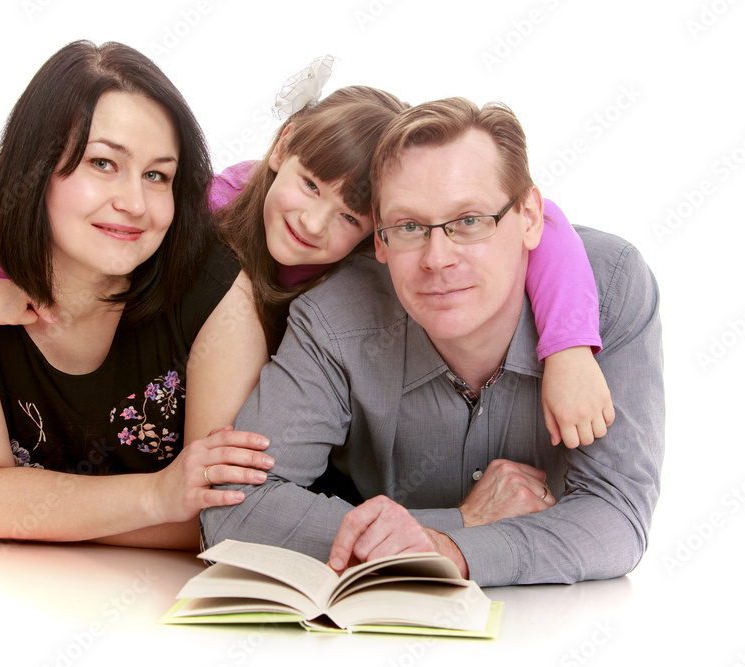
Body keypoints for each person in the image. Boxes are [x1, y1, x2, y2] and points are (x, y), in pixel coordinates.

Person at [0, 62, 615, 451]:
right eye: (309, 184)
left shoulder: (379, 255)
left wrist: (568, 351)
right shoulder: (220, 198)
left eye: (349, 216)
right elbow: (32, 204)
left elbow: (546, 221)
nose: (312, 222)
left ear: (377, 231)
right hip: (171, 413)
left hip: (291, 430)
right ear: (282, 145)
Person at [201, 97, 665, 586]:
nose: (437, 259)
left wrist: (449, 550)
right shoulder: (332, 316)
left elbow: (617, 514)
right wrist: (452, 530)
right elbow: (236, 508)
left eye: (469, 221)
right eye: (409, 227)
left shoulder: (612, 287)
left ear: (530, 217)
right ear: (379, 239)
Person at [0, 40, 274, 549]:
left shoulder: (215, 283)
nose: (134, 204)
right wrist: (157, 497)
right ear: (35, 168)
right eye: (102, 163)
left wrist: (16, 511)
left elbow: (222, 514)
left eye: (156, 175)